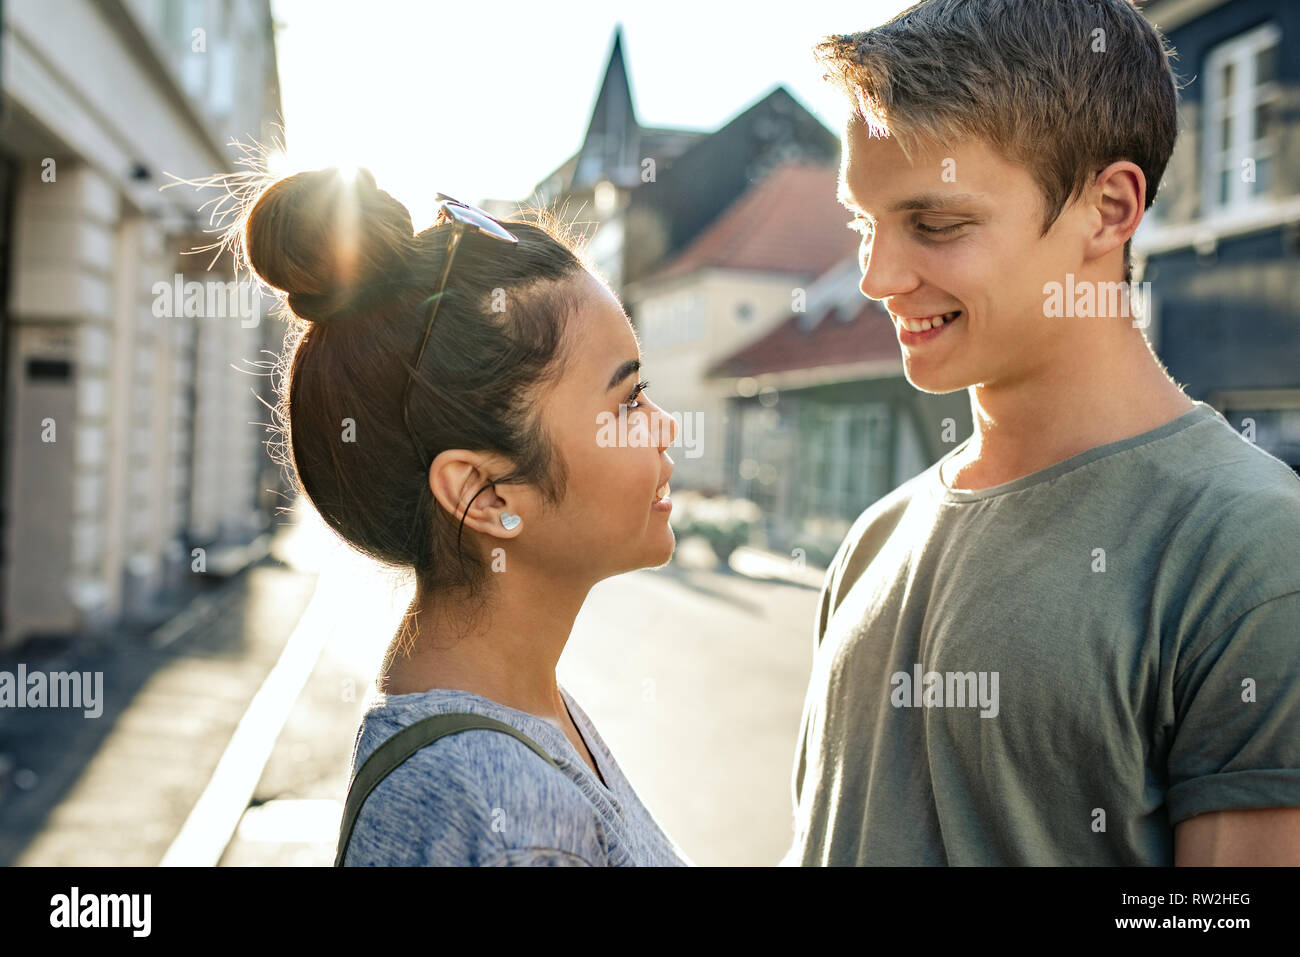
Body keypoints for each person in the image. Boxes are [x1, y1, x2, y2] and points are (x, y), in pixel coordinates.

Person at [788, 0, 1300, 865]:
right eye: (862, 223)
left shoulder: (1251, 552)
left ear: (1108, 208)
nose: (876, 276)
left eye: (936, 223)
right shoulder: (875, 538)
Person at [239, 167, 691, 866]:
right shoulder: (493, 797)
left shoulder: (514, 718)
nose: (664, 427)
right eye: (628, 401)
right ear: (486, 494)